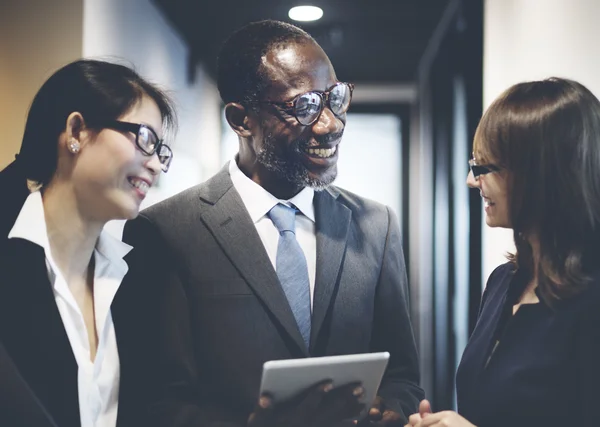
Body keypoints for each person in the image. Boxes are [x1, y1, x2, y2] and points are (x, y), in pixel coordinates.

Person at [123, 19, 423, 427]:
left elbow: (403, 376)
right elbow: (155, 402)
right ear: (241, 120)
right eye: (304, 107)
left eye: (335, 97)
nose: (331, 123)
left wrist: (392, 407)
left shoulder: (376, 226)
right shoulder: (167, 231)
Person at [407, 77, 600, 427]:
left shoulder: (591, 299)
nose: (470, 181)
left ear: (538, 174)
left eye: (482, 168)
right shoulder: (503, 282)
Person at [0, 59, 176, 427]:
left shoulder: (137, 275)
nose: (156, 165)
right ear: (76, 131)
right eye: (145, 139)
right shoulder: (11, 259)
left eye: (160, 151)